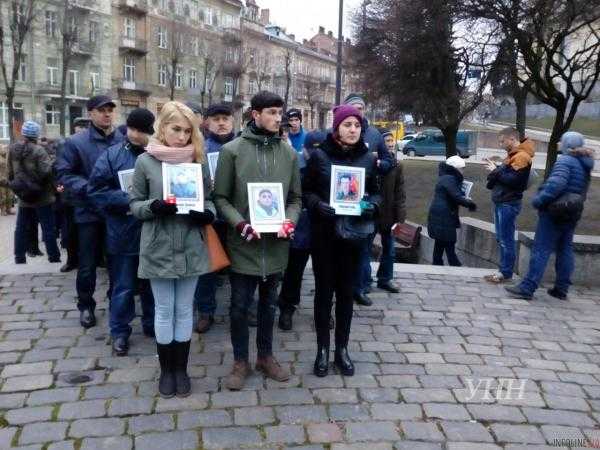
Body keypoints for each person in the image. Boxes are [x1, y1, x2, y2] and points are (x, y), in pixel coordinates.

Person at [214, 91, 301, 390]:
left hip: (275, 245)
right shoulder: (233, 151)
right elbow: (220, 197)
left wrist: (290, 220)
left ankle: (265, 356)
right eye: (273, 113)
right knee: (239, 306)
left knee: (269, 305)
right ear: (256, 114)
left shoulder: (289, 154)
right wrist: (239, 224)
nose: (279, 118)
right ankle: (241, 361)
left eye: (281, 113)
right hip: (244, 243)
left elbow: (295, 198)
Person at [130, 101, 215, 398]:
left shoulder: (197, 161)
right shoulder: (146, 162)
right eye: (175, 129)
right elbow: (134, 204)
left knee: (184, 310)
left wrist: (207, 213)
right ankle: (167, 370)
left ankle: (182, 369)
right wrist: (153, 207)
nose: (181, 137)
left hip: (191, 245)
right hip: (159, 246)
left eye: (187, 131)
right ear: (162, 127)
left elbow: (210, 199)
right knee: (164, 310)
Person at [303, 104, 381, 377]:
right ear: (337, 127)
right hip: (325, 235)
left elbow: (376, 194)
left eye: (357, 125)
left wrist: (371, 205)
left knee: (346, 294)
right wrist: (316, 205)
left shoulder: (369, 160)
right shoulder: (320, 156)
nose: (352, 130)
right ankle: (322, 349)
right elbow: (306, 191)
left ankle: (342, 349)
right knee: (324, 293)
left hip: (354, 237)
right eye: (347, 125)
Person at [88, 108, 157, 356]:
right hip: (123, 232)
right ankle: (119, 331)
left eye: (144, 131)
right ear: (128, 129)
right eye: (135, 130)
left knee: (152, 284)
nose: (139, 135)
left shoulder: (158, 154)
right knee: (123, 286)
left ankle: (152, 324)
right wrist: (128, 199)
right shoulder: (112, 156)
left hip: (152, 233)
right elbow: (95, 191)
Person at [56, 95, 124, 329]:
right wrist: (90, 188)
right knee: (87, 264)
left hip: (115, 211)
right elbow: (64, 174)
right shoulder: (75, 142)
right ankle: (86, 305)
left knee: (117, 261)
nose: (107, 114)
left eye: (110, 110)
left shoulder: (122, 140)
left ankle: (117, 302)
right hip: (87, 212)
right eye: (101, 110)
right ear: (91, 113)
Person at [505, 132, 594, 301]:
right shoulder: (584, 164)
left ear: (568, 144)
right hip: (572, 211)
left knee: (541, 248)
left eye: (562, 141)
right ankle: (562, 288)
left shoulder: (566, 161)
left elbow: (556, 184)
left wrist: (539, 200)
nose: (558, 143)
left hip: (554, 211)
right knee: (565, 249)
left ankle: (527, 287)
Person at [343, 93, 394, 306]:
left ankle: (361, 288)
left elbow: (389, 161)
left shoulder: (374, 134)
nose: (358, 111)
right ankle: (339, 286)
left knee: (363, 245)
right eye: (354, 107)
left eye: (361, 108)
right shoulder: (339, 130)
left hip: (365, 198)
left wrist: (378, 164)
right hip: (342, 197)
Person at [278, 130, 327, 331]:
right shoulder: (295, 166)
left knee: (324, 274)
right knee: (293, 271)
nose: (313, 155)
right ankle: (287, 307)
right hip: (301, 227)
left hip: (323, 227)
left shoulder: (327, 167)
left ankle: (323, 311)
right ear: (304, 150)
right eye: (310, 151)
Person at [194, 103, 235, 334]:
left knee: (241, 266)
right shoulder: (198, 149)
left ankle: (243, 308)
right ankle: (205, 311)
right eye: (216, 118)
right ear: (207, 122)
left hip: (237, 217)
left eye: (225, 118)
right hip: (210, 217)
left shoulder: (243, 146)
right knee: (207, 268)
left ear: (232, 121)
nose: (221, 123)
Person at [483, 127, 534, 284]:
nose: (500, 144)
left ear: (512, 139)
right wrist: (497, 170)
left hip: (508, 203)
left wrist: (495, 170)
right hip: (502, 201)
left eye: (502, 141)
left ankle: (505, 273)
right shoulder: (512, 156)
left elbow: (514, 181)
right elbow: (505, 176)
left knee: (506, 239)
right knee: (502, 238)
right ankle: (502, 271)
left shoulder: (521, 157)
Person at [8, 121, 61, 265]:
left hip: (24, 195)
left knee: (20, 227)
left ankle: (19, 257)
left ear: (24, 133)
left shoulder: (13, 149)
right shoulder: (39, 150)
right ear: (36, 134)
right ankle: (54, 257)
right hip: (42, 195)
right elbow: (46, 171)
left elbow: (10, 172)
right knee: (48, 227)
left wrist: (19, 188)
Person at [427, 155, 477, 266]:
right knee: (449, 246)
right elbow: (456, 197)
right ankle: (457, 270)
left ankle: (437, 267)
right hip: (445, 217)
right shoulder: (450, 178)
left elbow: (453, 194)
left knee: (439, 245)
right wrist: (470, 203)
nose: (463, 171)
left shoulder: (445, 177)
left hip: (440, 215)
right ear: (455, 168)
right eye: (462, 168)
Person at [376, 129, 406, 292]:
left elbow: (400, 192)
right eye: (386, 141)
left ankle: (385, 279)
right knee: (365, 251)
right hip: (372, 213)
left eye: (391, 141)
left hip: (390, 214)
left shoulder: (397, 165)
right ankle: (364, 282)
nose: (390, 144)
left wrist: (400, 216)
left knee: (390, 250)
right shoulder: (373, 161)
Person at [0, 144, 15, 215]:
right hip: (1, 180)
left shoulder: (8, 157)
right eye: (3, 148)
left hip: (8, 179)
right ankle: (3, 210)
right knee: (3, 196)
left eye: (6, 149)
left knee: (10, 195)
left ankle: (9, 209)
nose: (5, 150)